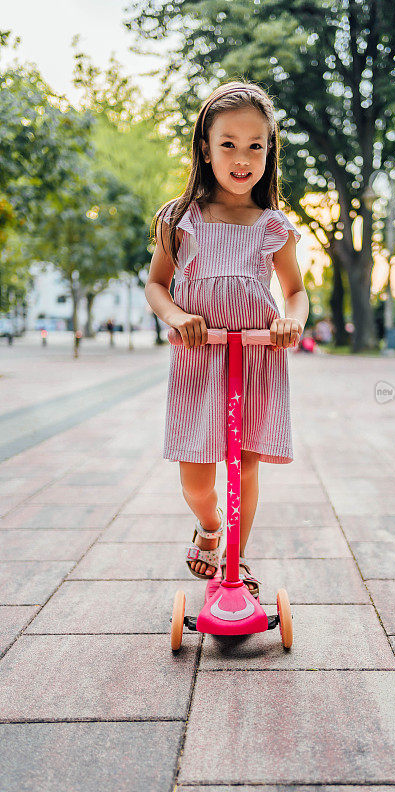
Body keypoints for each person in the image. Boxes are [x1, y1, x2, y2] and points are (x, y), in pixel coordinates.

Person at [145, 82, 309, 598]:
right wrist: (176, 315)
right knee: (198, 482)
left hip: (255, 361)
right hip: (199, 361)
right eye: (229, 144)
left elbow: (296, 291)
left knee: (245, 468)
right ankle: (211, 529)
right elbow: (156, 284)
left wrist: (291, 321)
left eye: (255, 145)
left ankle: (234, 565)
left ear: (270, 151)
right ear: (205, 148)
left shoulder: (272, 226)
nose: (242, 158)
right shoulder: (181, 221)